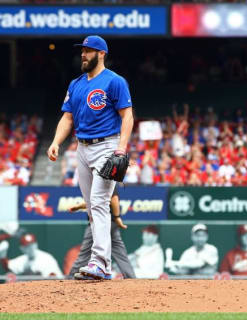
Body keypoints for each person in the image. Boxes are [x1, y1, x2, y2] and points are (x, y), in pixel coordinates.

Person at [46, 35, 134, 280]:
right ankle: (101, 266)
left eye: (88, 51)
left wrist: (121, 148)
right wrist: (55, 142)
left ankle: (100, 263)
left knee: (98, 202)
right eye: (82, 51)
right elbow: (67, 118)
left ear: (101, 53)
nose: (83, 55)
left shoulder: (114, 81)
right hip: (82, 149)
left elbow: (127, 116)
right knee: (94, 210)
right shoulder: (76, 84)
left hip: (107, 146)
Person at [66, 185, 136, 280]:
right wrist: (78, 207)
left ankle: (70, 278)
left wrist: (117, 217)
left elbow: (114, 199)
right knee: (119, 251)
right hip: (110, 222)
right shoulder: (99, 183)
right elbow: (94, 202)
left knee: (85, 252)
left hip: (101, 223)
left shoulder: (105, 178)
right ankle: (131, 277)